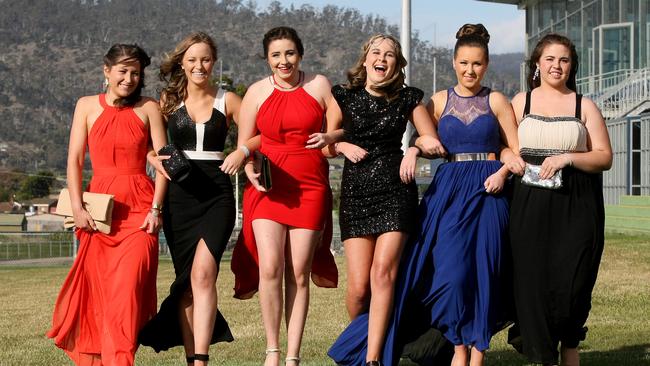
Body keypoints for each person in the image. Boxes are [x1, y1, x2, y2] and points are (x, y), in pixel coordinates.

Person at [329, 24, 524, 366]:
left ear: (487, 64)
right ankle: (446, 346)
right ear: (453, 62)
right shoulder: (437, 100)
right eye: (464, 63)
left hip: (488, 188)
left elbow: (513, 149)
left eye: (477, 64)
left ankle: (473, 354)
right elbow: (426, 138)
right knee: (448, 274)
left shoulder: (496, 99)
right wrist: (413, 151)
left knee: (486, 272)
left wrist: (504, 170)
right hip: (448, 190)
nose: (470, 70)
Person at [326, 33, 446, 366]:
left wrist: (414, 150)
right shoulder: (344, 95)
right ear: (365, 60)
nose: (382, 58)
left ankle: (375, 358)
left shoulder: (408, 98)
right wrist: (341, 146)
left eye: (389, 54)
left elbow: (431, 138)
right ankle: (359, 343)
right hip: (356, 193)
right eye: (376, 52)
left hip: (396, 191)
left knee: (384, 274)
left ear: (396, 64)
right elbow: (326, 141)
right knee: (360, 288)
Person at [47, 44, 167, 365]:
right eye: (123, 71)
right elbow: (74, 160)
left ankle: (120, 360)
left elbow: (165, 163)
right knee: (100, 297)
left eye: (136, 73)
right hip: (98, 213)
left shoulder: (149, 108)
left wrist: (157, 210)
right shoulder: (85, 106)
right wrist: (78, 207)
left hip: (140, 213)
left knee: (127, 296)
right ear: (107, 70)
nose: (129, 78)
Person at [229, 26, 338, 366]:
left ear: (300, 54)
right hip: (269, 188)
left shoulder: (319, 84)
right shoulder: (257, 93)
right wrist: (248, 165)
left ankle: (293, 356)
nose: (283, 60)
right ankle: (272, 352)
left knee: (298, 271)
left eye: (289, 53)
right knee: (271, 268)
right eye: (276, 55)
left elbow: (336, 126)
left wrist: (329, 136)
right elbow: (246, 144)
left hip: (310, 185)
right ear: (267, 59)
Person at [138, 32, 242, 365]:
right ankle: (190, 358)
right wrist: (152, 157)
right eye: (193, 59)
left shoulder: (229, 99)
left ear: (214, 62)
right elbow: (146, 142)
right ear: (182, 62)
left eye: (206, 59)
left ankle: (202, 360)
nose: (200, 66)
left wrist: (242, 151)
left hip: (217, 195)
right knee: (185, 283)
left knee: (203, 275)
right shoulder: (166, 102)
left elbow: (258, 133)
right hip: (178, 199)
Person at [508, 33, 612, 366]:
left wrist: (568, 157)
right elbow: (504, 147)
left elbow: (604, 156)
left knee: (573, 284)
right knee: (532, 285)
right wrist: (507, 161)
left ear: (572, 66)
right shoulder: (519, 102)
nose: (557, 66)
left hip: (577, 206)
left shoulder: (585, 105)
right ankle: (542, 357)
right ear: (537, 64)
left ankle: (569, 346)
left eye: (564, 60)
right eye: (550, 59)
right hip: (528, 206)